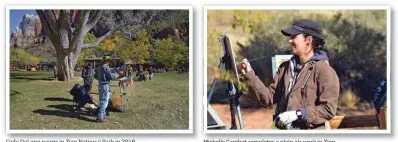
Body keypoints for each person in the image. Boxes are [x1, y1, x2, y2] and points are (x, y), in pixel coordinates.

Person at [240, 19, 339, 129]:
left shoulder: (324, 70)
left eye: (294, 37)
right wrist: (249, 74)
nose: (290, 41)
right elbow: (268, 98)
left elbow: (328, 109)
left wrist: (298, 114)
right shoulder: (285, 67)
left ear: (308, 40)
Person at [95, 56, 120, 122]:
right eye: (109, 61)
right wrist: (116, 75)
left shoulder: (99, 67)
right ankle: (100, 116)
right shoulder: (106, 68)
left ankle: (103, 113)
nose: (110, 63)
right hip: (105, 85)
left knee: (101, 100)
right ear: (107, 61)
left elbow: (96, 76)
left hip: (100, 85)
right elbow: (111, 77)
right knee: (104, 101)